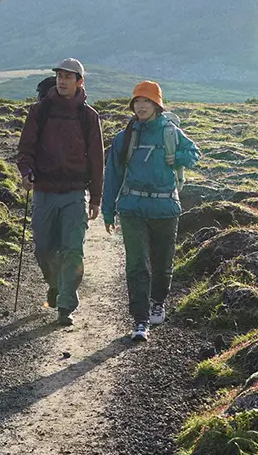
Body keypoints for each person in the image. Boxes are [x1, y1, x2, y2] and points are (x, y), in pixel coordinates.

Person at [102, 81, 200, 342]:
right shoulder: (124, 138)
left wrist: (177, 157)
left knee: (162, 262)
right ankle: (140, 320)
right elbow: (112, 175)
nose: (141, 106)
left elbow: (194, 153)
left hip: (165, 207)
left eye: (147, 101)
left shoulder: (171, 132)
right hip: (132, 207)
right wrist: (108, 210)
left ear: (157, 105)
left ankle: (158, 301)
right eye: (137, 101)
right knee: (137, 264)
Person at [14, 58, 104, 326]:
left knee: (73, 250)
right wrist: (26, 171)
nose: (63, 81)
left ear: (79, 81)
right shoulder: (39, 111)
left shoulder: (88, 116)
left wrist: (96, 198)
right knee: (44, 249)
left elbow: (97, 161)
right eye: (59, 76)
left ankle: (66, 304)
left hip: (75, 193)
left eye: (68, 76)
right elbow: (26, 148)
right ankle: (54, 285)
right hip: (43, 191)